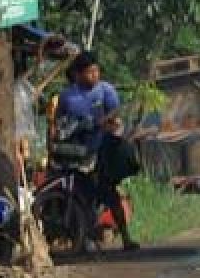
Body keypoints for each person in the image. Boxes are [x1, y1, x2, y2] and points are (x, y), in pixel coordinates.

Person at [55, 52, 140, 251]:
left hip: (102, 151)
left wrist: (109, 126)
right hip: (77, 153)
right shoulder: (67, 97)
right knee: (79, 194)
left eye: (96, 71)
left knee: (110, 193)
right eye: (89, 72)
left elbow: (116, 119)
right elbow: (58, 124)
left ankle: (126, 237)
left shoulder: (106, 91)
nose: (94, 75)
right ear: (78, 74)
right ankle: (83, 237)